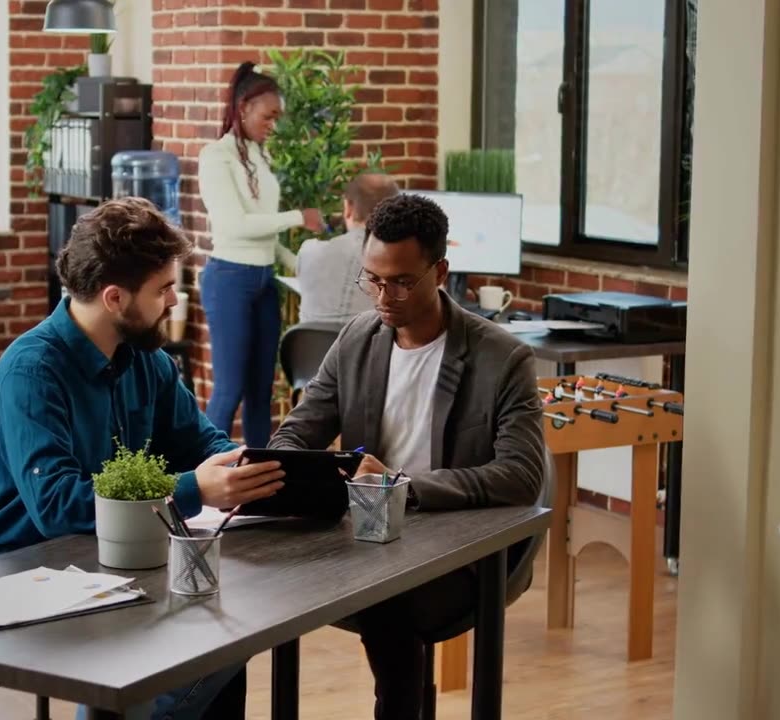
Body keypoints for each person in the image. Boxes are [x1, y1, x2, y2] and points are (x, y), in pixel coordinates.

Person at [0, 197, 286, 720]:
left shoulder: (145, 358)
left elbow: (199, 441)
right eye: (163, 290)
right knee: (197, 644)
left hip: (108, 553)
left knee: (224, 632)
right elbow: (58, 506)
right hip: (19, 561)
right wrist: (194, 488)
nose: (174, 301)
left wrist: (247, 467)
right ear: (114, 297)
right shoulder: (32, 371)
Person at [268, 193, 546, 720]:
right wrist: (296, 474)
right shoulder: (357, 340)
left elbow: (522, 475)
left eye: (400, 281)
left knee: (383, 598)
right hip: (370, 537)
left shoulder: (502, 357)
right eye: (372, 278)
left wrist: (402, 485)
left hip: (460, 547)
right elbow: (296, 434)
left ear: (440, 271)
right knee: (279, 575)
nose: (382, 295)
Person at [197, 60, 325, 448]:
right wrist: (298, 217)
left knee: (260, 391)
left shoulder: (259, 155)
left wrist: (302, 264)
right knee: (230, 388)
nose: (273, 125)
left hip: (263, 280)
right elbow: (236, 226)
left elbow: (265, 233)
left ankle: (261, 475)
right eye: (268, 116)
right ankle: (202, 471)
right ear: (243, 107)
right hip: (229, 281)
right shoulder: (215, 157)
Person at [295, 171, 399, 324]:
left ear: (348, 207)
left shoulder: (308, 252)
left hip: (312, 348)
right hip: (370, 347)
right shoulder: (403, 264)